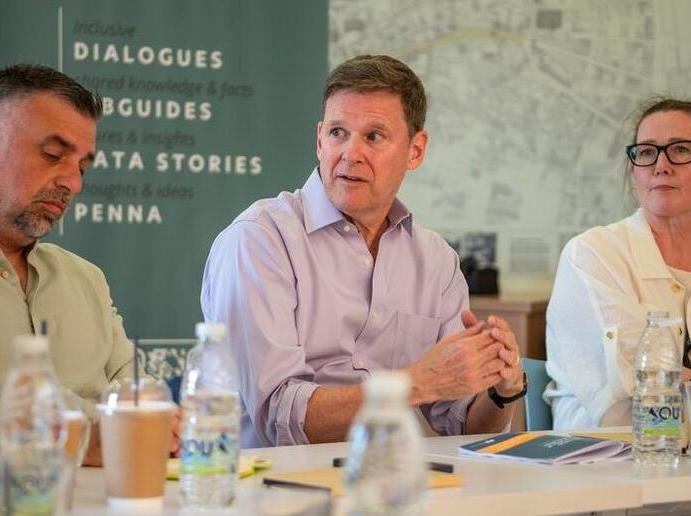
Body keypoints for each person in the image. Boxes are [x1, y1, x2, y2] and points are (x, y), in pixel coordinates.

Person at [201, 54, 526, 448]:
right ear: (319, 140)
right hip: (275, 481)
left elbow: (463, 427)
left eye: (373, 136)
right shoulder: (258, 241)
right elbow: (279, 418)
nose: (351, 153)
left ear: (416, 150)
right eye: (338, 132)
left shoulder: (436, 261)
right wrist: (418, 383)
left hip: (393, 476)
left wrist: (503, 387)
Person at [0, 64, 180, 464]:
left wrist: (164, 421)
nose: (73, 183)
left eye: (82, 167)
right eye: (53, 155)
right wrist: (82, 441)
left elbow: (135, 387)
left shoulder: (85, 278)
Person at [545, 98, 691, 429]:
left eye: (680, 149)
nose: (661, 165)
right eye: (647, 152)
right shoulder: (593, 254)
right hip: (604, 449)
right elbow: (639, 391)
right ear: (633, 170)